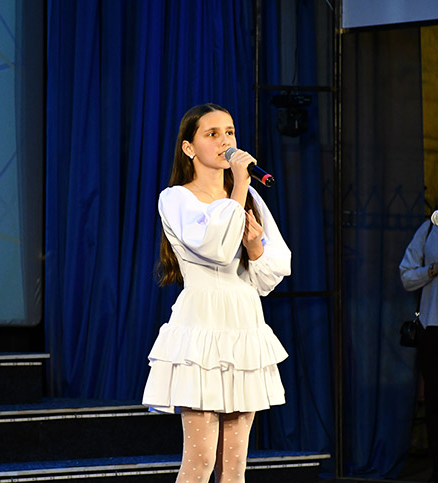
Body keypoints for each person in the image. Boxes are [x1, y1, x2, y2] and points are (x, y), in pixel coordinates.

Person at [142, 103, 292, 482]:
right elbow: (217, 248)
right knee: (200, 462)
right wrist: (239, 184)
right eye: (212, 134)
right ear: (189, 148)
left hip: (243, 326)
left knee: (234, 467)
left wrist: (255, 248)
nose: (225, 141)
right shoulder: (176, 198)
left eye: (229, 132)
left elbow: (269, 275)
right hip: (202, 327)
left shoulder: (251, 199)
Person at [399, 218, 438, 482]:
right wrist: (433, 270)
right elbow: (406, 275)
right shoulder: (430, 228)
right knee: (435, 401)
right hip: (434, 325)